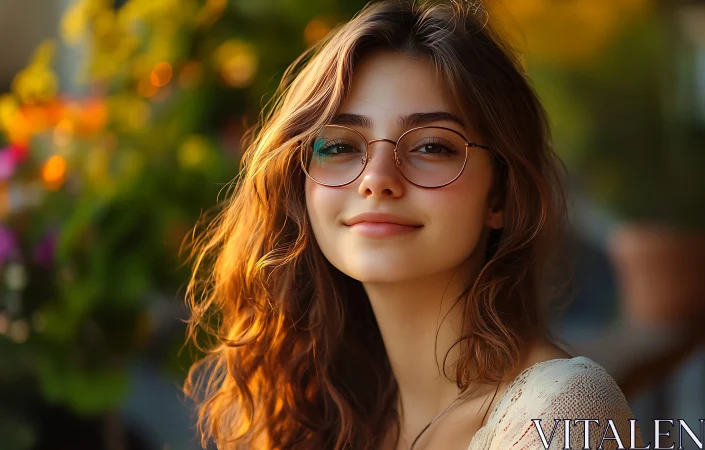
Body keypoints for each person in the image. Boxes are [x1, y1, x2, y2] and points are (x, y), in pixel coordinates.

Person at [182, 0, 644, 449]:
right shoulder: (324, 413)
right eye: (340, 146)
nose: (376, 180)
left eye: (431, 147)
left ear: (500, 194)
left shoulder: (561, 417)